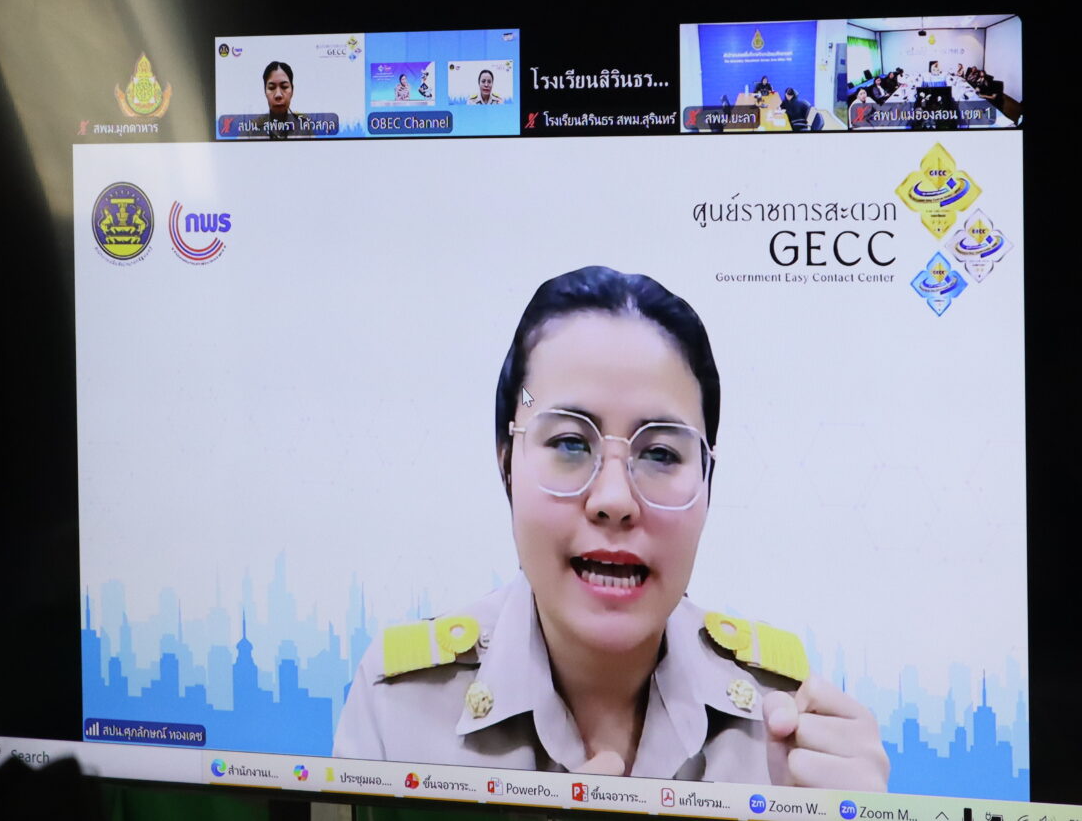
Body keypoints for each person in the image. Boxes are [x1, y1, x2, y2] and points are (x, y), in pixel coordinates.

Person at [335, 267, 889, 786]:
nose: (615, 501)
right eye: (570, 443)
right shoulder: (399, 710)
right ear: (507, 466)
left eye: (661, 453)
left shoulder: (784, 730)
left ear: (708, 481)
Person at [261, 60, 305, 139]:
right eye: (271, 88)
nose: (278, 95)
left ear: (292, 90)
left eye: (284, 87)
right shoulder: (250, 129)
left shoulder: (305, 127)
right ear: (265, 91)